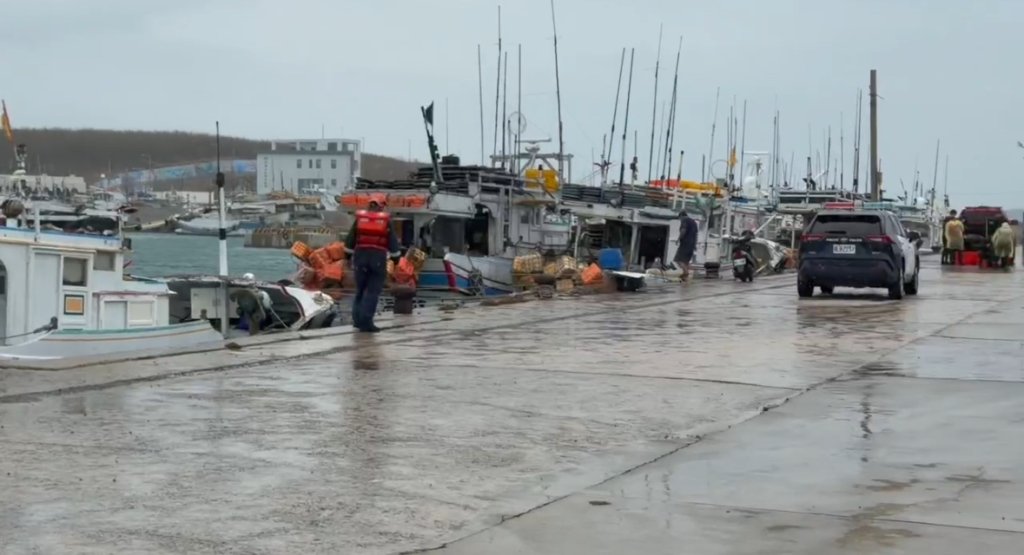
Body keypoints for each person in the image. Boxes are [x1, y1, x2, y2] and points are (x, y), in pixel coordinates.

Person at [345, 193, 401, 333]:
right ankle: (367, 322)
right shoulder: (385, 221)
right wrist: (396, 259)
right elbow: (393, 243)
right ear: (382, 206)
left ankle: (357, 320)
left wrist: (347, 257)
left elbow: (349, 241)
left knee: (360, 290)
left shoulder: (360, 219)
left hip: (360, 257)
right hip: (377, 259)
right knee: (372, 291)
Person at [674, 209, 699, 281]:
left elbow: (683, 230)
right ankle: (686, 277)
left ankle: (686, 272)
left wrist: (678, 239)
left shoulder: (684, 220)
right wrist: (694, 245)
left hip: (685, 243)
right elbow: (696, 235)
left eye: (679, 218)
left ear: (681, 216)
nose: (680, 220)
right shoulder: (694, 222)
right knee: (686, 261)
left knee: (678, 259)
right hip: (691, 245)